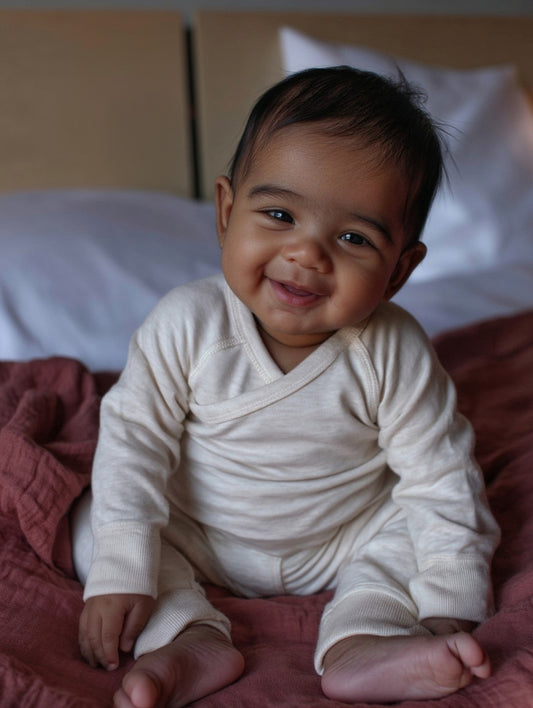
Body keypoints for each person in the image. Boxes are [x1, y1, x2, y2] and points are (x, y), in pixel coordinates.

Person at [73, 66, 500, 708]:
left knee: (412, 532)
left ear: (399, 271)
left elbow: (441, 476)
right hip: (198, 530)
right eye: (279, 214)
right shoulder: (186, 323)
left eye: (354, 237)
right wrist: (120, 572)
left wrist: (449, 602)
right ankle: (186, 635)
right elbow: (134, 443)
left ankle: (366, 639)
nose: (306, 255)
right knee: (100, 522)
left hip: (345, 536)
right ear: (226, 213)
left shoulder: (395, 350)